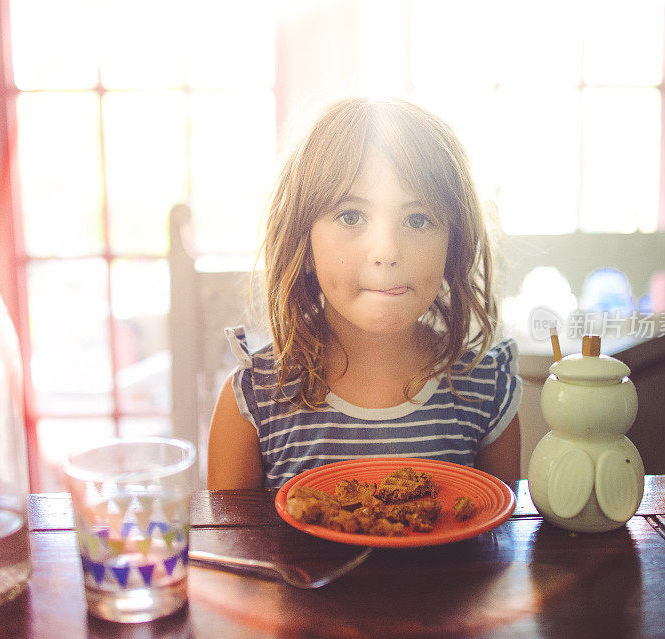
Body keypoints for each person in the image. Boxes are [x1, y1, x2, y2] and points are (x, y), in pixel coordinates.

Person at [207, 96, 522, 490]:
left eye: (418, 220)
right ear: (303, 246)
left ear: (453, 245)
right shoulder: (255, 401)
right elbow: (226, 547)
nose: (387, 252)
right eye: (351, 216)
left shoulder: (486, 390)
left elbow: (500, 541)